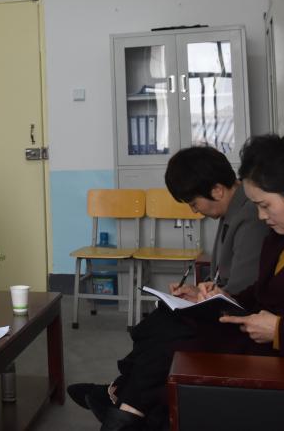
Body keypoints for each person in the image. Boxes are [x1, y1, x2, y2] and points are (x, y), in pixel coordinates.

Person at [76, 134, 284, 430]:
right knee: (174, 325)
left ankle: (125, 412)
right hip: (269, 335)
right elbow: (265, 291)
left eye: (264, 205)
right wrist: (222, 299)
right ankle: (128, 411)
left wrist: (280, 331)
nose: (261, 216)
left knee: (178, 345)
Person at [68, 146, 268, 426]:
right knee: (161, 320)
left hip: (240, 321)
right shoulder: (233, 211)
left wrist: (204, 297)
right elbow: (226, 279)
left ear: (217, 190)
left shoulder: (249, 218)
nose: (194, 210)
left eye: (194, 203)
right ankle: (121, 396)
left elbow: (241, 291)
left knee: (164, 332)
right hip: (226, 307)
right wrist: (198, 292)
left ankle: (125, 405)